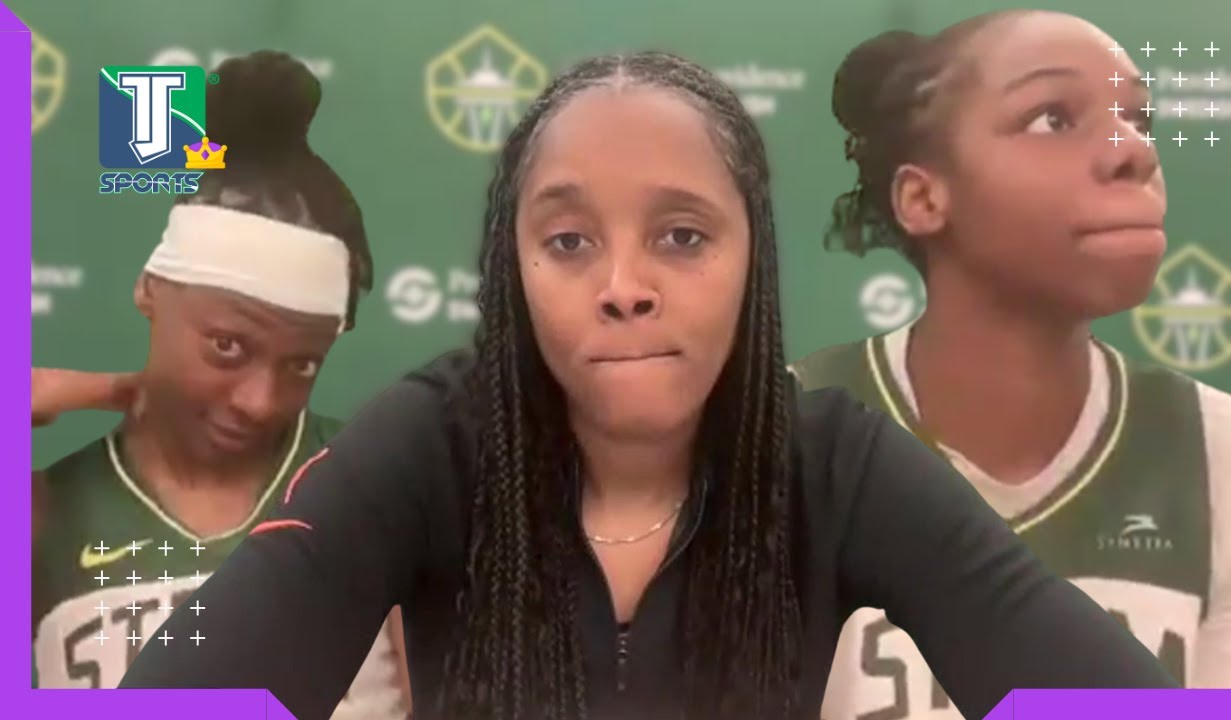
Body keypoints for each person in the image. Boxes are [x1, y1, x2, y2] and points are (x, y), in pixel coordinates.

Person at [119, 51, 1176, 720]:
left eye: (681, 237)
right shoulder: (431, 443)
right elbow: (184, 690)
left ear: (751, 259)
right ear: (513, 268)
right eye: (568, 241)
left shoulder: (834, 463)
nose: (623, 288)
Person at [789, 10, 1231, 719]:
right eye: (1052, 119)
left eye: (1138, 119)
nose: (1133, 152)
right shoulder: (782, 439)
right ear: (923, 197)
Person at [31, 52, 413, 719]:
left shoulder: (377, 491)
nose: (259, 401)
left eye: (301, 365)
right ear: (150, 290)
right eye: (228, 347)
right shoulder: (42, 514)